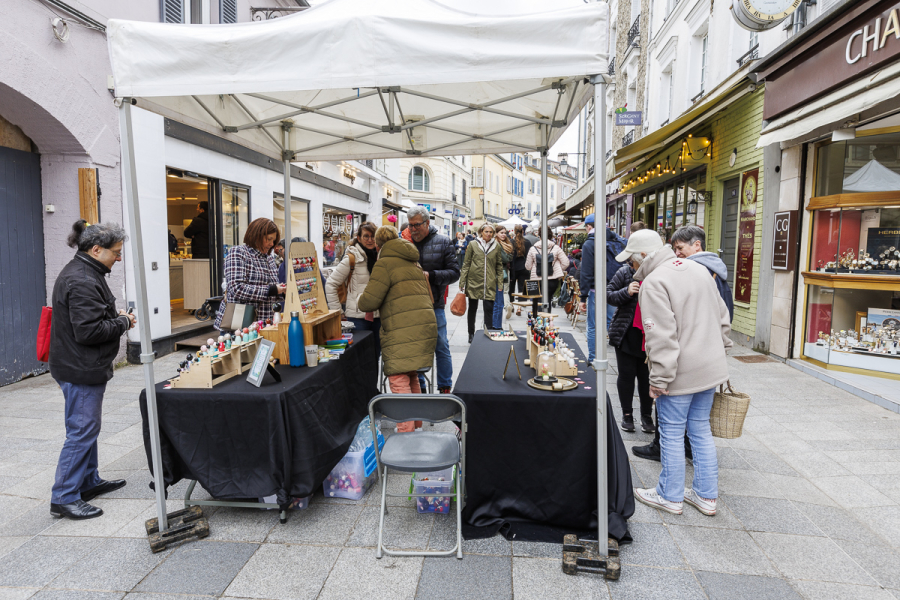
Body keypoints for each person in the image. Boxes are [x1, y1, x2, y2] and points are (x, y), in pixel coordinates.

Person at [621, 231, 732, 517]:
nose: (632, 268)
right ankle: (706, 496)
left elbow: (661, 337)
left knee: (671, 432)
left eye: (632, 262)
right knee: (700, 430)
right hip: (709, 366)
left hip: (680, 371)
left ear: (642, 257)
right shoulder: (699, 268)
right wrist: (722, 351)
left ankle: (669, 495)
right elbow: (723, 319)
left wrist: (658, 379)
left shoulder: (655, 282)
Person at [49, 220, 136, 520]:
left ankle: (87, 482)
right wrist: (123, 322)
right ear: (96, 249)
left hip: (78, 365)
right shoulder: (83, 279)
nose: (119, 257)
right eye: (116, 252)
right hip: (80, 368)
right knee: (82, 431)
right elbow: (88, 331)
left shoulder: (86, 271)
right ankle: (63, 497)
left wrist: (116, 317)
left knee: (87, 428)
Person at [357, 226, 437, 404]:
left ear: (378, 246)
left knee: (398, 378)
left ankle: (405, 430)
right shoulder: (413, 261)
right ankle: (416, 427)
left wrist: (358, 299)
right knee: (411, 374)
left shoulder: (384, 263)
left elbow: (368, 302)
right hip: (424, 328)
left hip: (401, 331)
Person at [405, 207, 460, 393]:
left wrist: (432, 275)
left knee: (441, 346)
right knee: (415, 349)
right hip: (410, 307)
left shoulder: (443, 242)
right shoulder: (404, 242)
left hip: (434, 305)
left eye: (417, 225)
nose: (413, 229)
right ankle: (419, 386)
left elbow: (454, 273)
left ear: (428, 223)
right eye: (411, 225)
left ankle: (445, 387)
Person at [607, 232, 655, 434]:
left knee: (646, 378)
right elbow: (609, 295)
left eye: (633, 261)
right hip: (627, 333)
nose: (631, 264)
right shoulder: (625, 273)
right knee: (626, 376)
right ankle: (627, 414)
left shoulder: (658, 274)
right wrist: (626, 292)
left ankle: (646, 415)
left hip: (650, 336)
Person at [215, 218, 285, 331]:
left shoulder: (270, 259)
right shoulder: (238, 253)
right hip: (240, 325)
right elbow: (236, 288)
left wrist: (282, 291)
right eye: (269, 239)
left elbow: (271, 290)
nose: (272, 244)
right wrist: (273, 289)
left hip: (264, 324)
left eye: (274, 240)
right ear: (256, 236)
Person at [325, 222, 381, 350]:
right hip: (357, 318)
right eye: (366, 236)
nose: (370, 240)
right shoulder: (352, 258)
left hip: (378, 317)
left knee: (375, 356)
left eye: (373, 236)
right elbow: (331, 284)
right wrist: (338, 312)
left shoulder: (381, 258)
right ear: (359, 238)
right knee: (360, 356)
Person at [579, 214, 625, 364]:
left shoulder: (590, 244)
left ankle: (593, 358)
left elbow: (586, 272)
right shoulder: (617, 240)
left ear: (589, 226)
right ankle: (612, 356)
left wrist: (582, 297)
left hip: (596, 290)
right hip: (615, 288)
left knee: (592, 325)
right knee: (610, 322)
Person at [671, 225, 735, 321]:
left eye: (680, 248)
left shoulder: (692, 269)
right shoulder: (715, 267)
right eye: (675, 249)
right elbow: (727, 305)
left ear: (697, 245)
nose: (676, 253)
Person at [460, 223, 504, 343]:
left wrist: (500, 283)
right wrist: (462, 281)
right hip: (474, 281)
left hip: (489, 282)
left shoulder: (496, 246)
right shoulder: (473, 244)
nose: (488, 234)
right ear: (481, 232)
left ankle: (488, 331)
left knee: (489, 308)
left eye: (491, 232)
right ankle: (471, 333)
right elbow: (466, 264)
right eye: (486, 232)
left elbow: (499, 266)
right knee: (472, 308)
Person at [525, 229, 569, 310]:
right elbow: (566, 262)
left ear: (539, 236)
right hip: (552, 279)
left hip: (537, 279)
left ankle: (537, 319)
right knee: (548, 299)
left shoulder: (533, 248)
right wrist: (556, 269)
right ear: (551, 236)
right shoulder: (556, 248)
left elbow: (528, 266)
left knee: (537, 300)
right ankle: (547, 320)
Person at [509, 225, 533, 316]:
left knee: (511, 287)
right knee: (521, 288)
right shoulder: (527, 242)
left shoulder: (511, 242)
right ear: (523, 231)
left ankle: (511, 305)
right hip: (524, 268)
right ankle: (519, 308)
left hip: (513, 268)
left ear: (514, 232)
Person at [493, 226, 513, 328]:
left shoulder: (505, 243)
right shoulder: (497, 244)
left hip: (505, 272)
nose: (503, 234)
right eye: (501, 232)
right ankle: (496, 325)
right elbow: (506, 258)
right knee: (499, 299)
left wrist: (508, 257)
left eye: (505, 233)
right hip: (499, 273)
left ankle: (497, 324)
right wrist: (508, 256)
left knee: (503, 293)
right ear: (496, 233)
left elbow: (510, 257)